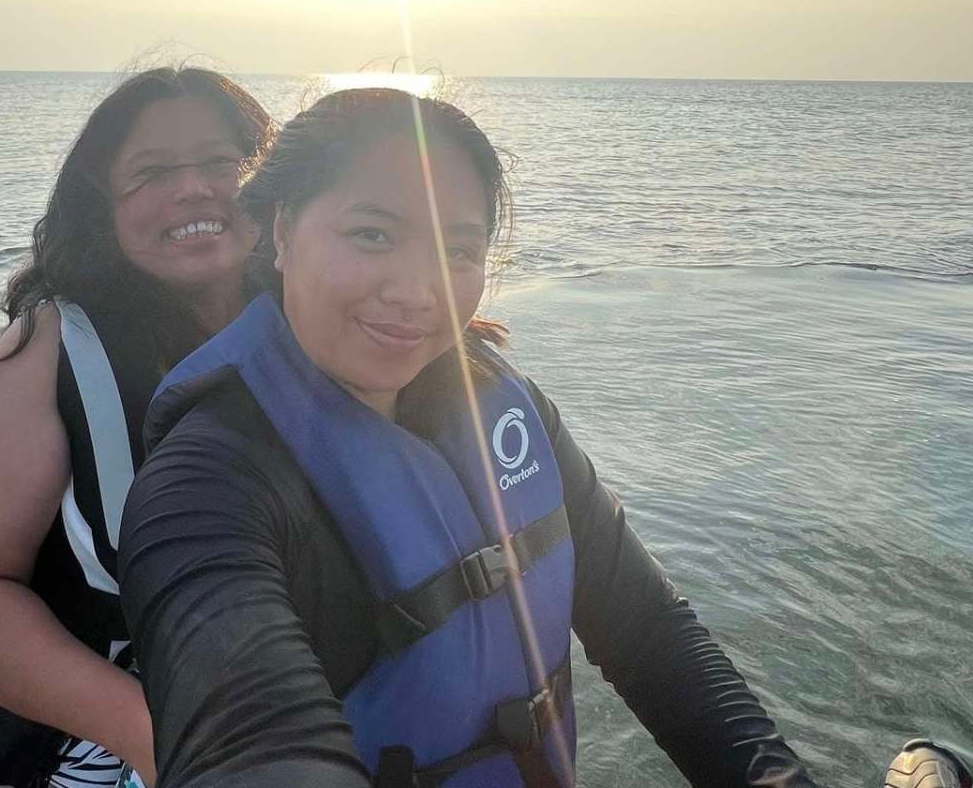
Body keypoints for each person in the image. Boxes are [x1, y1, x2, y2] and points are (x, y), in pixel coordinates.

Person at [119, 88, 820, 788]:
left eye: (460, 250)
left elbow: (649, 632)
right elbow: (245, 743)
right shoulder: (205, 486)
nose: (420, 290)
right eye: (373, 234)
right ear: (281, 229)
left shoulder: (505, 408)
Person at [0, 66, 273, 788]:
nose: (194, 188)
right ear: (101, 204)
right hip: (92, 725)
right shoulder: (48, 353)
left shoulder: (317, 326)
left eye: (222, 162)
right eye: (150, 171)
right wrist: (152, 733)